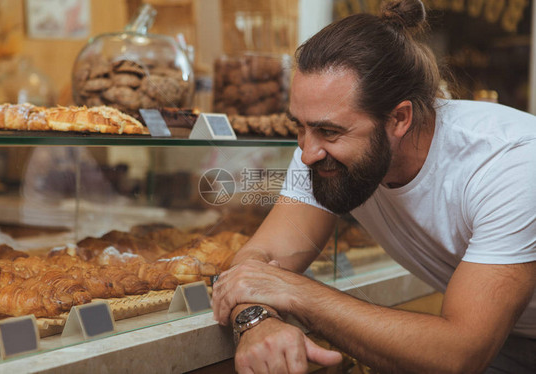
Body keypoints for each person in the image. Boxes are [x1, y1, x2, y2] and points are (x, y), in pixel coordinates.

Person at [211, 0, 536, 373]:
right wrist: (256, 322)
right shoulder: (321, 150)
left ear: (399, 119)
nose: (307, 153)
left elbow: (458, 352)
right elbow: (258, 261)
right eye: (299, 127)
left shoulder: (510, 162)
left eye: (329, 131)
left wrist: (294, 292)